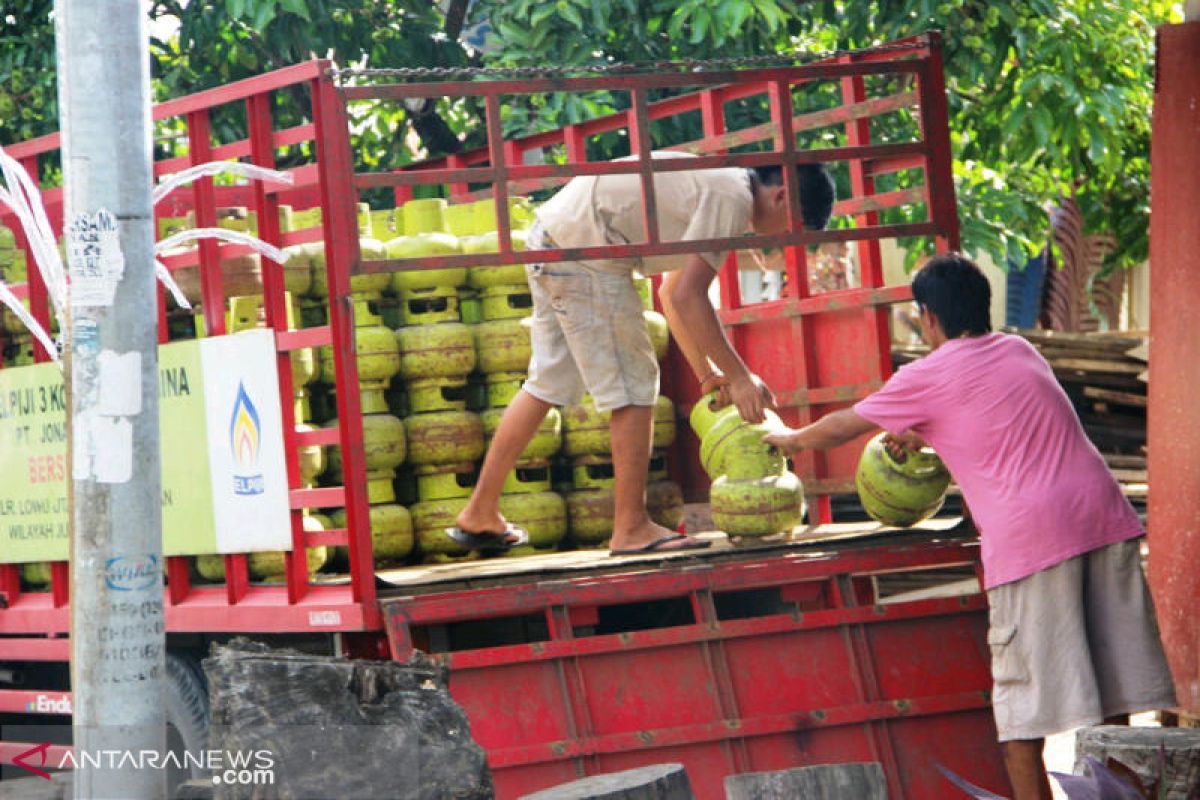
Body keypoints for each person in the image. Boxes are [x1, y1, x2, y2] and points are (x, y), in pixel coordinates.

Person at [763, 254, 1176, 799]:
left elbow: (844, 425)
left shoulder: (926, 374)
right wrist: (929, 433)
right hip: (1103, 517)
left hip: (1035, 541)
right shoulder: (1019, 350)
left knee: (1020, 715)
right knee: (1115, 694)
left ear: (928, 318)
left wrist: (788, 439)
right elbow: (1000, 422)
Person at [449, 152, 836, 555]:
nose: (780, 241)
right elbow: (690, 296)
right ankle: (630, 527)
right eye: (791, 230)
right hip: (588, 251)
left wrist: (706, 375)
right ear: (782, 196)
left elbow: (672, 293)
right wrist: (739, 377)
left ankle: (480, 512)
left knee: (547, 383)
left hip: (556, 237)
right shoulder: (732, 197)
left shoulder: (717, 185)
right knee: (636, 386)